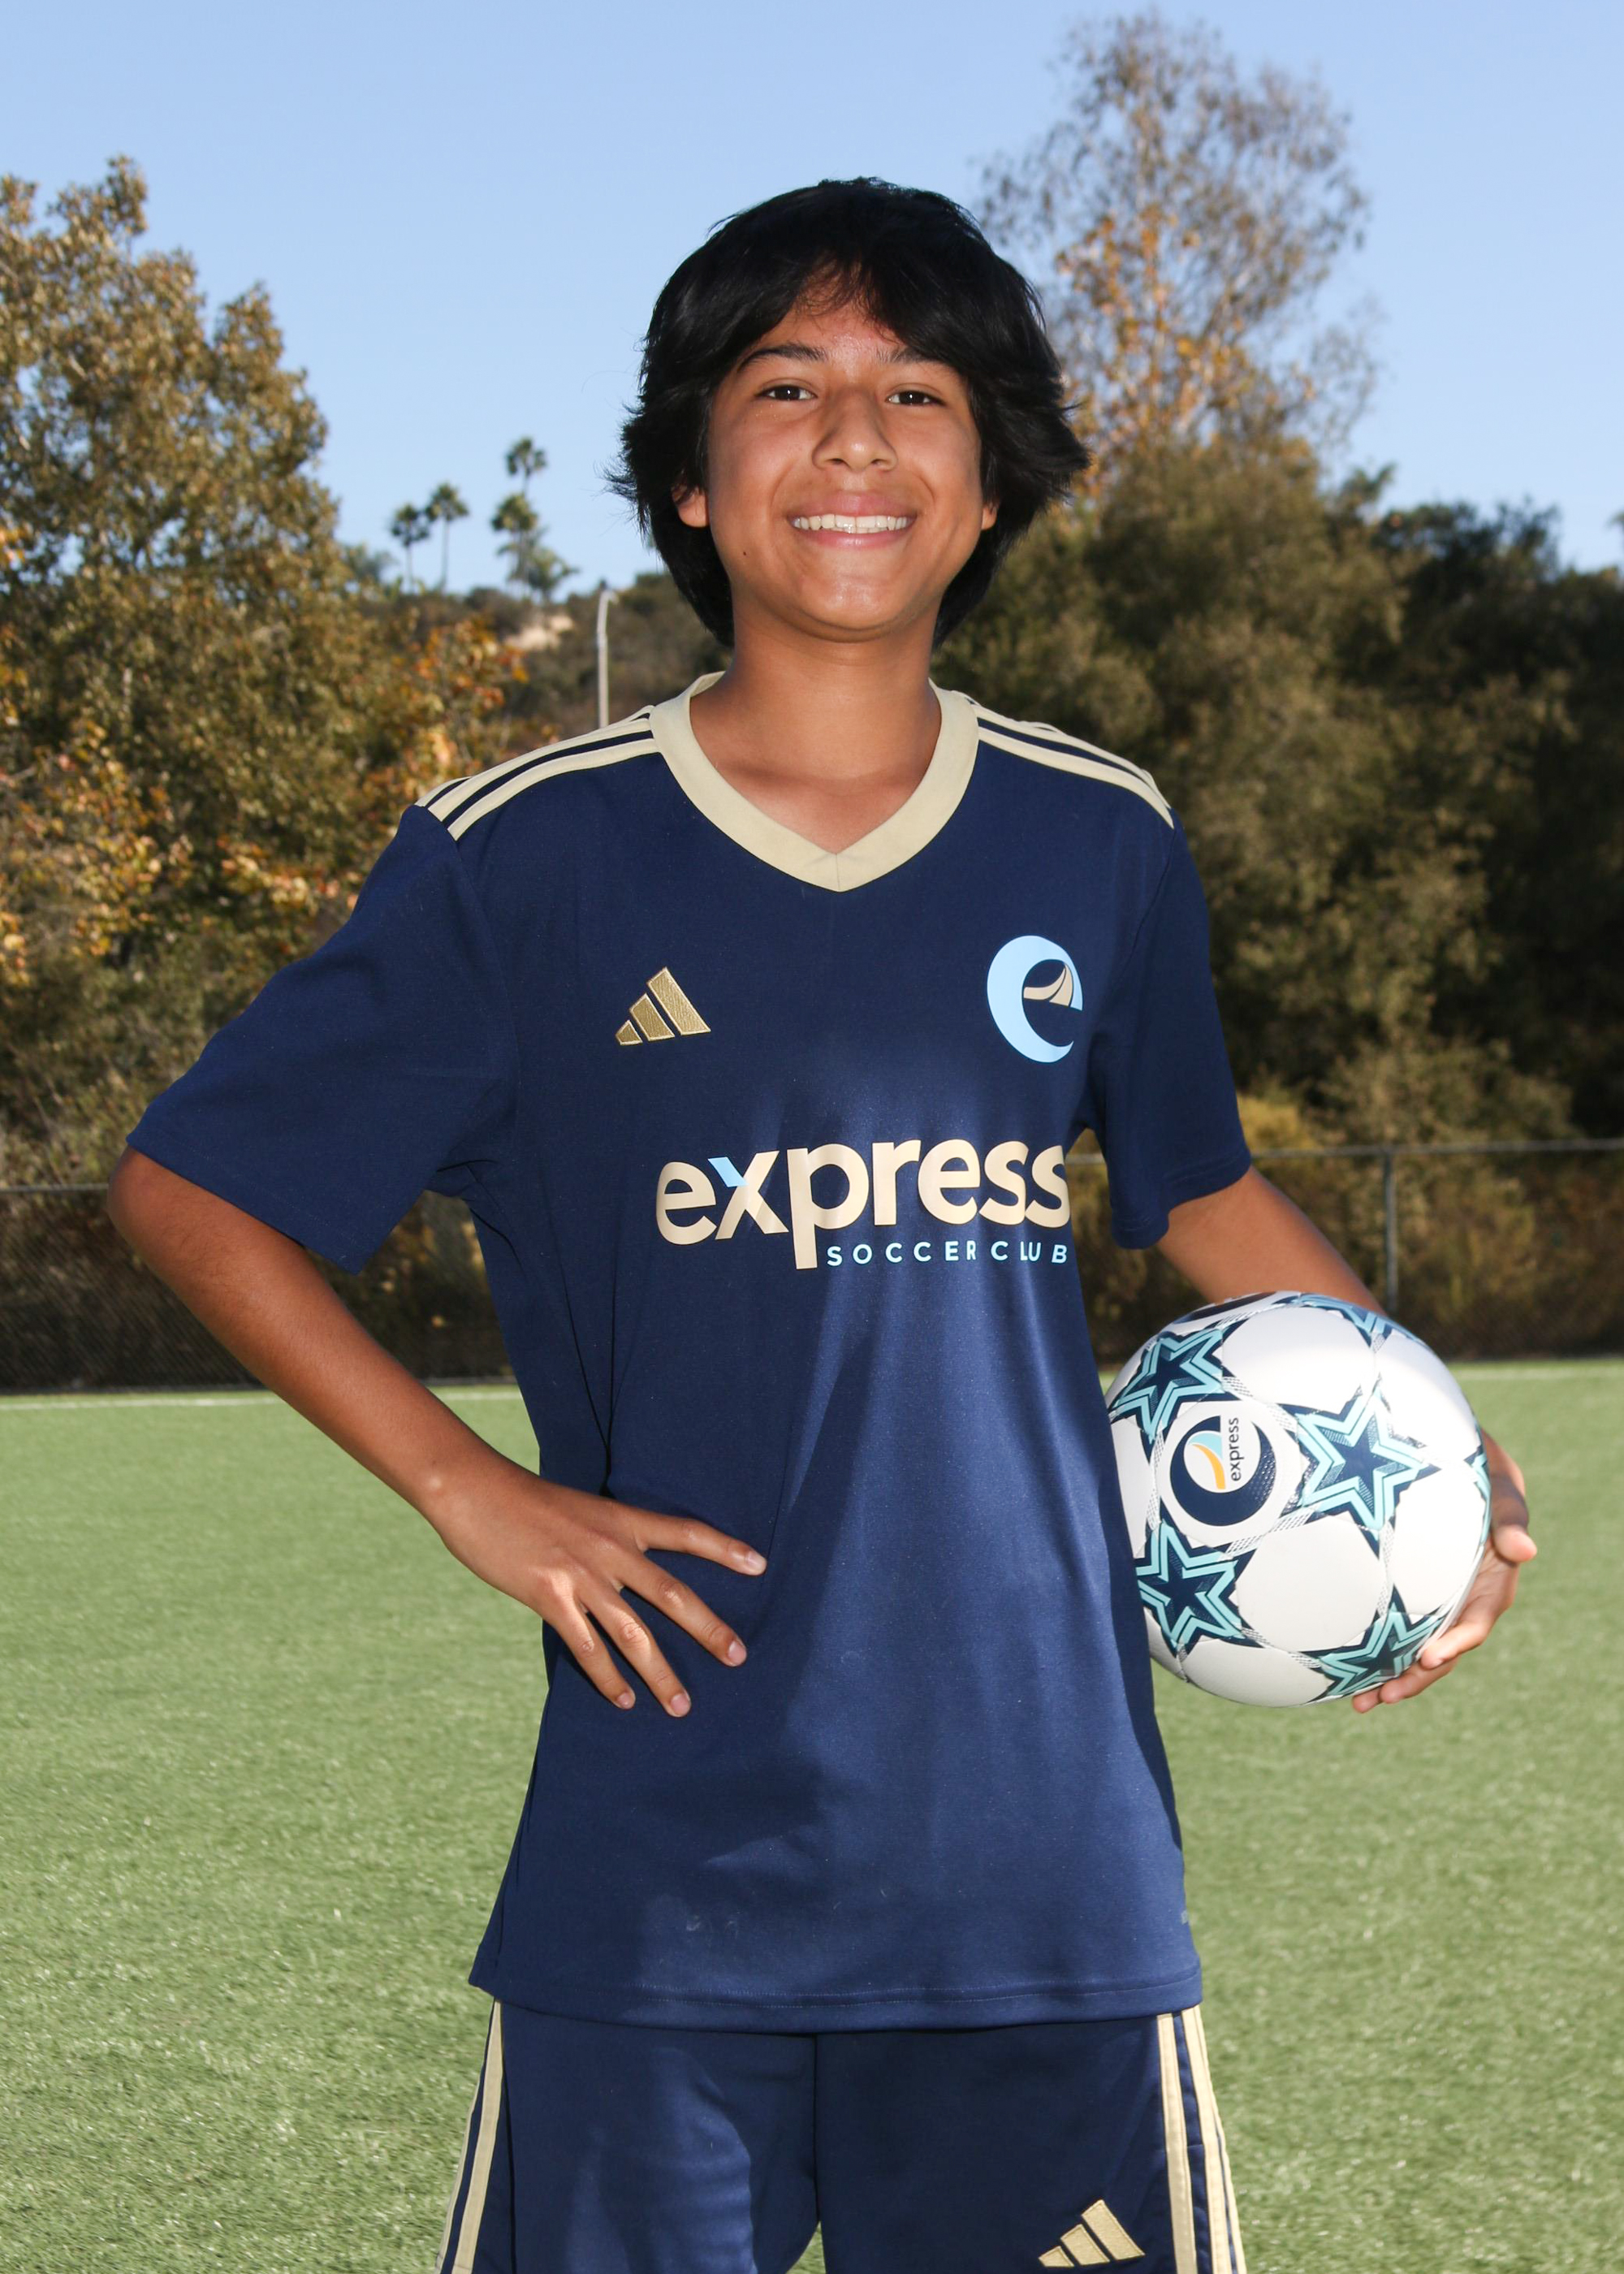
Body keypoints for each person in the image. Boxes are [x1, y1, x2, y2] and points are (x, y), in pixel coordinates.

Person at [108, 178, 1534, 2274]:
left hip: (1043, 1881)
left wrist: (1434, 1451)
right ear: (691, 481)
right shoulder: (530, 860)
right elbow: (192, 1181)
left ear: (991, 484)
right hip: (658, 1882)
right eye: (785, 387)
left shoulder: (1097, 839)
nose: (854, 436)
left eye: (918, 391)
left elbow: (1203, 1189)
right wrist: (464, 1487)